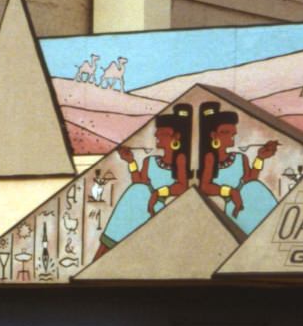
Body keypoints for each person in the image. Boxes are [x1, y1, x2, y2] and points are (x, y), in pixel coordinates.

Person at [95, 103, 191, 258]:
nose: (157, 136)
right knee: (137, 191)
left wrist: (159, 192)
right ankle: (105, 248)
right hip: (138, 202)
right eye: (158, 133)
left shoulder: (180, 160)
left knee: (139, 194)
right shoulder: (150, 160)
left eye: (163, 133)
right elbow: (138, 182)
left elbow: (182, 186)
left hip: (155, 207)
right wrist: (131, 162)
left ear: (176, 137)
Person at [197, 101, 279, 236]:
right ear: (214, 135)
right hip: (236, 206)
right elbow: (205, 186)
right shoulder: (210, 158)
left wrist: (260, 158)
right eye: (225, 132)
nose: (231, 136)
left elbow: (250, 179)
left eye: (232, 132)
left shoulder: (240, 157)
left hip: (252, 200)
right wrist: (230, 191)